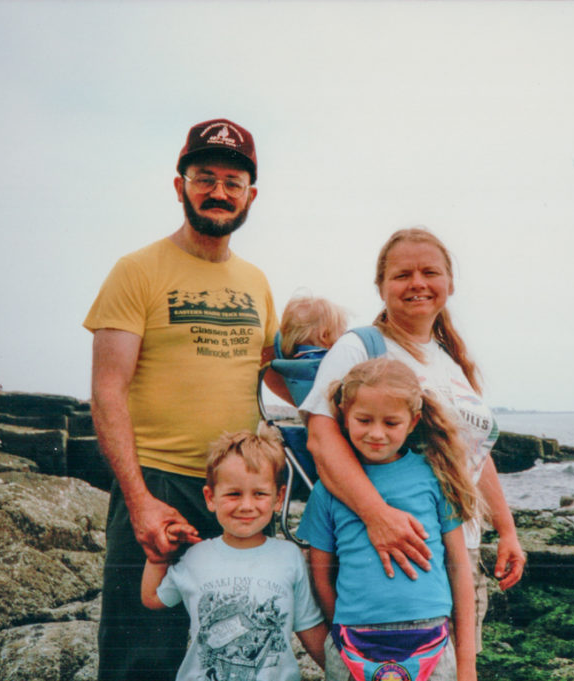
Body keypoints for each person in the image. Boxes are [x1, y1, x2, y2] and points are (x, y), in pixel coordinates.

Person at [84, 118, 284, 680]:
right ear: (180, 185)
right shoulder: (136, 270)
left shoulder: (256, 281)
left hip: (235, 496)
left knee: (232, 650)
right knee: (141, 656)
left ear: (250, 196)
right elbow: (107, 391)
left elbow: (278, 375)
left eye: (232, 181)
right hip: (158, 485)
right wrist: (140, 499)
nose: (218, 192)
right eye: (204, 177)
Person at [300, 227, 526, 652]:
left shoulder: (450, 360)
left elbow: (472, 452)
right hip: (392, 551)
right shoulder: (360, 348)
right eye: (403, 274)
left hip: (461, 550)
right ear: (381, 286)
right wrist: (377, 515)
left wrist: (507, 529)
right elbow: (321, 439)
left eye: (430, 272)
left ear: (450, 284)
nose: (418, 283)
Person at [298, 358, 480, 681]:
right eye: (364, 420)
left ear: (413, 422)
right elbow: (320, 574)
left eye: (391, 423)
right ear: (343, 416)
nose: (376, 433)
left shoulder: (435, 477)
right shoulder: (329, 489)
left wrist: (467, 664)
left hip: (432, 642)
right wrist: (341, 630)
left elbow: (460, 569)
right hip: (352, 641)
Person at [141, 431, 327, 680]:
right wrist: (158, 557)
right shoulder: (195, 556)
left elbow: (310, 627)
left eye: (259, 494)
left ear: (278, 498)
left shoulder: (289, 556)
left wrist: (343, 672)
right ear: (210, 498)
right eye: (233, 494)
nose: (246, 506)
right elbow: (153, 598)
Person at [279, 295, 348, 359]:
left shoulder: (294, 361)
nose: (344, 338)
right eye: (343, 333)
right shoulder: (325, 361)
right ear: (324, 336)